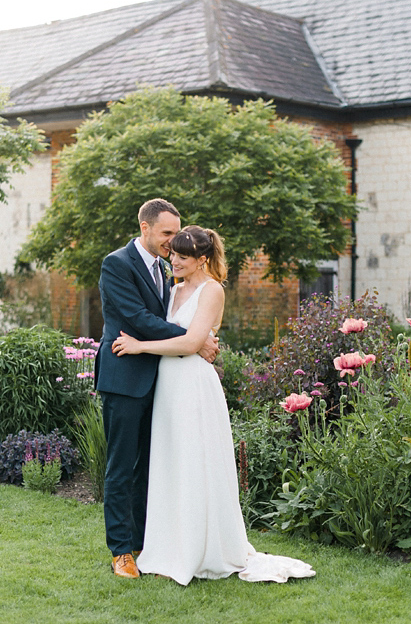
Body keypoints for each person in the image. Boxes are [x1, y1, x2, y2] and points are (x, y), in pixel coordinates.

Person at [112, 225, 315, 585]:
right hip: (167, 388)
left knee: (196, 462)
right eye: (172, 253)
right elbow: (164, 328)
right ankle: (169, 546)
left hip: (193, 385)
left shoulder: (212, 290)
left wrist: (140, 346)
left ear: (202, 259)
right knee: (170, 463)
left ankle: (202, 548)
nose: (173, 260)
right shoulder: (172, 290)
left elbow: (191, 344)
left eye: (182, 256)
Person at [95, 199, 218, 579]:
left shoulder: (168, 270)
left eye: (175, 234)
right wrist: (194, 339)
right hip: (126, 375)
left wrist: (193, 339)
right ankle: (121, 552)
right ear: (144, 227)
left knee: (152, 466)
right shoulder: (116, 264)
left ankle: (146, 542)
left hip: (165, 381)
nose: (172, 242)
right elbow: (137, 319)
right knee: (121, 466)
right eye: (166, 234)